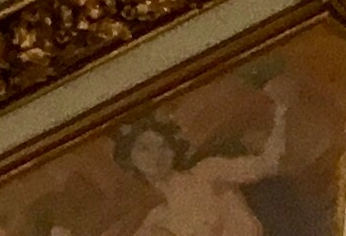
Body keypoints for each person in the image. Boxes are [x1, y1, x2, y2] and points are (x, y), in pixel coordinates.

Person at [116, 90, 292, 236]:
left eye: (162, 146)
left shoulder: (208, 172)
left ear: (173, 149)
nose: (156, 156)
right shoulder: (156, 221)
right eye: (144, 149)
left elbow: (269, 164)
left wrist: (281, 112)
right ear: (131, 160)